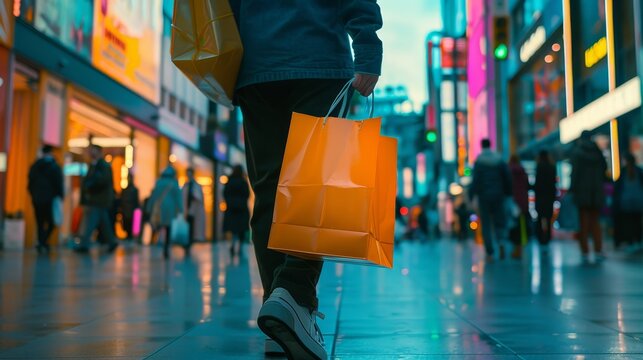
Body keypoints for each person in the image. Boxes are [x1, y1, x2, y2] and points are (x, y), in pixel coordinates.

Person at [230, 1, 382, 358]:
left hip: (257, 68)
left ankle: (277, 312)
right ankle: (294, 292)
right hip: (318, 61)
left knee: (269, 191)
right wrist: (367, 47)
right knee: (317, 183)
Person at [470, 139, 512, 261]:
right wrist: (508, 193)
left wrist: (472, 196)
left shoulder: (479, 162)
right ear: (491, 145)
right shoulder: (499, 160)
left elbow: (475, 181)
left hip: (484, 197)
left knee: (486, 224)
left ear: (481, 146)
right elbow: (507, 178)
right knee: (500, 221)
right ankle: (501, 243)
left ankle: (489, 252)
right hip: (499, 196)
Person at [570, 131, 608, 262]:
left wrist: (572, 188)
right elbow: (605, 170)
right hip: (596, 191)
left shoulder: (577, 153)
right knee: (595, 223)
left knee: (583, 224)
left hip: (582, 192)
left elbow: (575, 173)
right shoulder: (598, 153)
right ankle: (598, 250)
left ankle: (585, 251)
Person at [75, 144, 118, 253]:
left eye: (93, 151)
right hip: (98, 199)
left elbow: (101, 181)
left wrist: (89, 185)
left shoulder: (102, 166)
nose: (91, 153)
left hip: (98, 199)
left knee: (90, 222)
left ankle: (84, 244)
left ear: (99, 152)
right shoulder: (94, 165)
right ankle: (111, 242)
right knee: (103, 222)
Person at [28, 145, 64, 253]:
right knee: (52, 222)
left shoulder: (35, 165)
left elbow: (30, 183)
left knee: (39, 222)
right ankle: (43, 241)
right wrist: (60, 195)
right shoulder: (55, 166)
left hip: (37, 198)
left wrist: (33, 194)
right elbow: (58, 183)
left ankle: (41, 242)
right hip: (50, 199)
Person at [147, 166, 183, 259]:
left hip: (159, 208)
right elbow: (178, 198)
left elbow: (153, 196)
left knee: (157, 225)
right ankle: (166, 248)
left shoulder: (159, 182)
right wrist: (181, 209)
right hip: (170, 209)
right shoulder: (174, 183)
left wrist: (149, 207)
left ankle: (154, 243)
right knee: (168, 228)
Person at [612, 153, 643, 251]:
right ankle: (637, 241)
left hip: (626, 201)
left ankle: (632, 241)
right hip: (638, 200)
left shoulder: (624, 172)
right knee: (637, 222)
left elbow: (618, 188)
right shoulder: (638, 171)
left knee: (629, 223)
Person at [223, 165, 251, 257]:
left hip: (231, 209)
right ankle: (240, 248)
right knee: (241, 229)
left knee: (233, 229)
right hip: (242, 209)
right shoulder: (243, 182)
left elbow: (225, 194)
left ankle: (232, 244)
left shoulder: (229, 181)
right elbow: (247, 195)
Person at [534, 150, 557, 249]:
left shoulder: (539, 167)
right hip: (549, 197)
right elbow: (553, 183)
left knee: (539, 218)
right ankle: (547, 238)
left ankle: (540, 238)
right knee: (548, 218)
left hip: (540, 197)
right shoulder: (552, 167)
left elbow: (537, 183)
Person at [508, 155, 529, 259]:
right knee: (521, 226)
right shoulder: (522, 170)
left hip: (513, 201)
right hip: (523, 201)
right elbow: (527, 185)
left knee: (513, 226)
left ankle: (515, 249)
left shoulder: (509, 170)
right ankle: (519, 248)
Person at [182, 167, 206, 255]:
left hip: (193, 211)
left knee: (191, 228)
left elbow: (199, 198)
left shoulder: (196, 186)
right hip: (186, 210)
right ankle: (186, 243)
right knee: (187, 228)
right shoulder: (186, 185)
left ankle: (189, 243)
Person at [118, 173, 140, 240]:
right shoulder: (127, 190)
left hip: (128, 208)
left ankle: (129, 235)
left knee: (129, 222)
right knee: (127, 222)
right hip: (127, 208)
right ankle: (128, 235)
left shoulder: (132, 190)